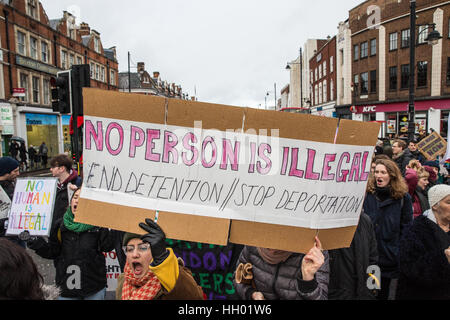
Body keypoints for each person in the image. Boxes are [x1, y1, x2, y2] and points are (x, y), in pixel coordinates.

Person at [27, 188, 115, 300]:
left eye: (82, 198)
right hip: (67, 289)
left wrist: (117, 226)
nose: (77, 201)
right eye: (75, 197)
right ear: (71, 202)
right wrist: (33, 240)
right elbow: (52, 251)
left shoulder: (97, 224)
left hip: (94, 287)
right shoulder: (60, 225)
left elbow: (107, 246)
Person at [115, 219, 205, 300]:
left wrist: (162, 258)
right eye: (130, 249)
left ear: (155, 251)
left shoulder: (173, 277)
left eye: (142, 248)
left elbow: (193, 297)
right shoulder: (123, 280)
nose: (135, 254)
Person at [363, 158, 413, 300]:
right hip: (370, 258)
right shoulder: (368, 195)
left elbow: (407, 229)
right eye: (376, 172)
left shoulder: (403, 198)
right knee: (372, 292)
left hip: (389, 259)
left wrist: (398, 252)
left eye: (383, 172)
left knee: (384, 293)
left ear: (391, 175)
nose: (379, 175)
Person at [396, 184, 450, 300]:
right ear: (435, 205)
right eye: (449, 202)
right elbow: (411, 269)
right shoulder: (415, 230)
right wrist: (444, 258)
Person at [233, 236, 328, 300]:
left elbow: (321, 297)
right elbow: (238, 279)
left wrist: (308, 279)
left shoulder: (313, 252)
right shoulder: (253, 243)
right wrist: (252, 294)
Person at [328, 211, 378, 300]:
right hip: (338, 294)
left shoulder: (366, 220)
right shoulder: (326, 222)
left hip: (364, 294)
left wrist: (373, 289)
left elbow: (373, 259)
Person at [49, 154, 82, 235]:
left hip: (71, 229)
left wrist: (78, 191)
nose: (50, 169)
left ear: (62, 169)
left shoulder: (78, 183)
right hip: (56, 228)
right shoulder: (53, 184)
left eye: (53, 167)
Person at [0, 157, 26, 248]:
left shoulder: (13, 185)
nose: (18, 173)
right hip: (5, 237)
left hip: (17, 234)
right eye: (15, 171)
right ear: (6, 172)